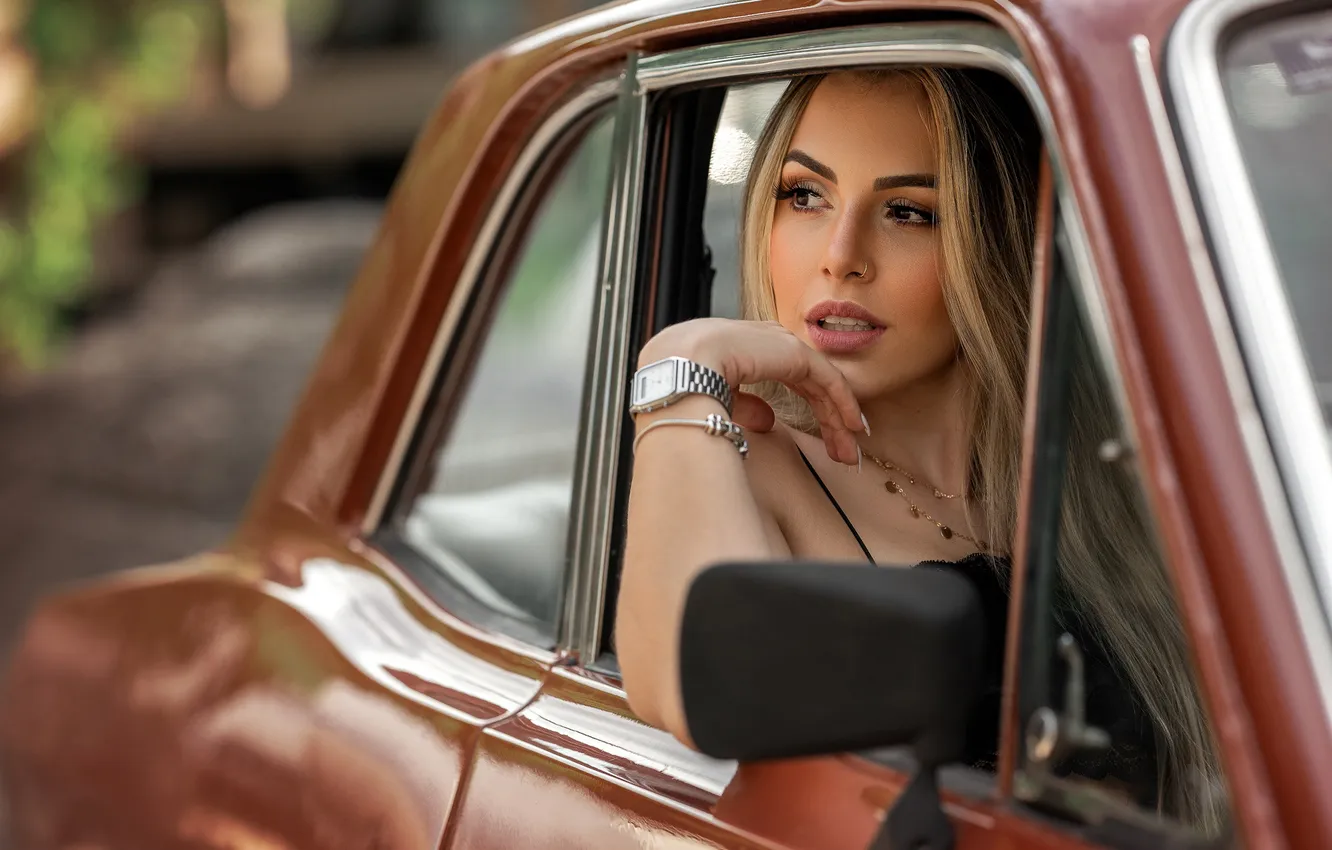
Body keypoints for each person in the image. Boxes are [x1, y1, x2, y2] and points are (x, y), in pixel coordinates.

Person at [614, 69, 1226, 833]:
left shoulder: (1108, 471)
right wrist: (678, 363)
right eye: (804, 196)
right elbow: (683, 682)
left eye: (909, 212)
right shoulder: (751, 465)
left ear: (1001, 241)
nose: (841, 256)